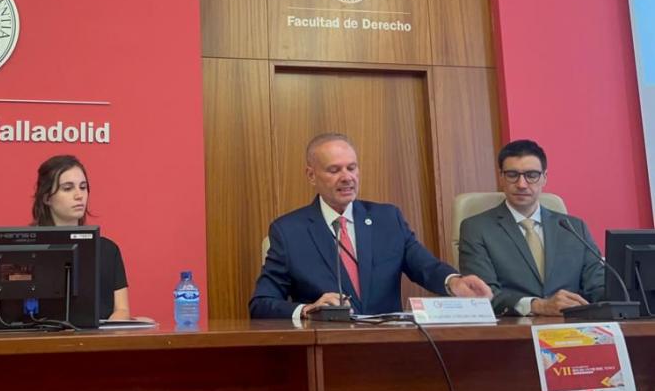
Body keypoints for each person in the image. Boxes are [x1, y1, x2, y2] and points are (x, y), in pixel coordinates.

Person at [249, 133, 492, 319]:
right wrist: (307, 310)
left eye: (351, 168)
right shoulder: (289, 231)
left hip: (387, 347)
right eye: (334, 170)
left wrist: (454, 282)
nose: (347, 177)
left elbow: (425, 266)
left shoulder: (387, 219)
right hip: (326, 348)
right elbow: (261, 303)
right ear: (311, 175)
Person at [458, 139, 604, 316]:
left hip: (573, 325)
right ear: (501, 177)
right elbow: (481, 294)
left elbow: (598, 286)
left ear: (544, 177)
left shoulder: (574, 228)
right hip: (514, 327)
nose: (521, 184)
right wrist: (538, 306)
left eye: (532, 175)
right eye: (512, 175)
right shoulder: (476, 228)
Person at [32, 155, 131, 320]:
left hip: (100, 335)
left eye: (83, 187)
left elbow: (122, 310)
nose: (79, 195)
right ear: (46, 197)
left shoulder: (108, 250)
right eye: (67, 188)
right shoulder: (31, 248)